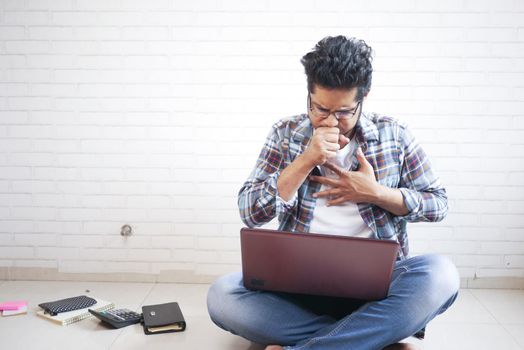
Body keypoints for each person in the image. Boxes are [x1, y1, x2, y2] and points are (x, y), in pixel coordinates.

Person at [207, 35, 460, 350]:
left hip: (376, 289)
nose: (330, 121)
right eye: (320, 109)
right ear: (309, 94)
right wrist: (305, 160)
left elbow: (438, 203)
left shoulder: (393, 134)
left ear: (362, 99)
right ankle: (370, 338)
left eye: (343, 112)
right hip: (296, 289)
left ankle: (321, 342)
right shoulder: (285, 134)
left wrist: (377, 194)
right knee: (222, 295)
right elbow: (250, 211)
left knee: (442, 275)